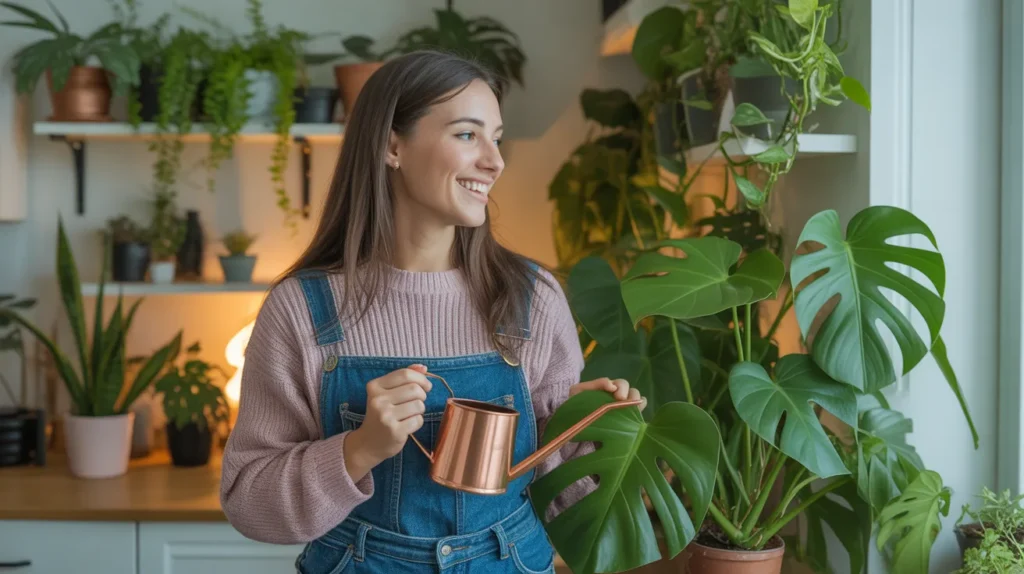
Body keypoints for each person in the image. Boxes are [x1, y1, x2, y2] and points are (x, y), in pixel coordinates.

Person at [219, 50, 646, 574]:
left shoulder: (531, 297)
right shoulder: (303, 310)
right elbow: (247, 500)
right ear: (392, 145)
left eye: (496, 137)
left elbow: (567, 501)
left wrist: (586, 431)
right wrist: (357, 451)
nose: (495, 160)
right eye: (468, 135)